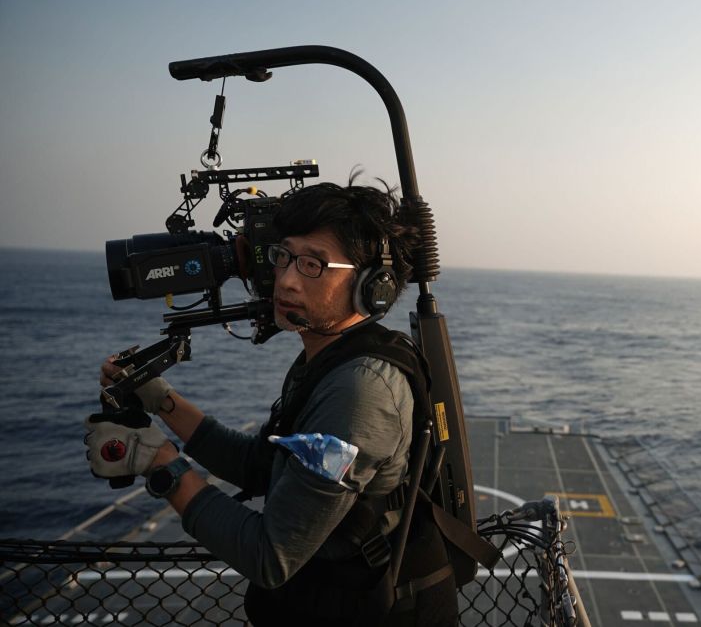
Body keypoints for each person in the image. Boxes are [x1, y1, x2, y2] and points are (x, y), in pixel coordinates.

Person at [83, 178, 458, 626]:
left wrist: (159, 464)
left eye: (313, 264)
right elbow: (259, 465)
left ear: (370, 284)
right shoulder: (327, 355)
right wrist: (160, 400)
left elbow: (269, 556)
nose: (286, 279)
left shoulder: (359, 390)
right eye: (283, 256)